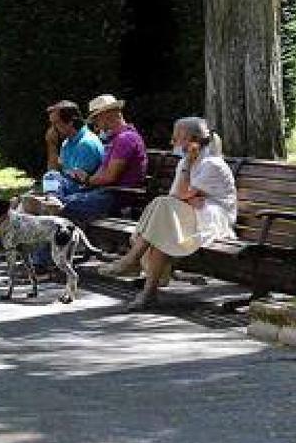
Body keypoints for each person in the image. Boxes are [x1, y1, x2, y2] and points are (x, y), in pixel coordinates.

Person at [98, 117, 237, 311]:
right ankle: (147, 290)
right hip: (190, 213)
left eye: (177, 137)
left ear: (192, 140)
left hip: (214, 218)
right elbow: (176, 196)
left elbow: (179, 195)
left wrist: (186, 191)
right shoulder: (185, 164)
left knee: (162, 211)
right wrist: (188, 196)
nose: (173, 142)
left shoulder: (212, 164)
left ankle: (132, 261)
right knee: (162, 217)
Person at [55, 94, 147, 223]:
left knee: (56, 205)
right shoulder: (116, 139)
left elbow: (109, 177)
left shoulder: (125, 139)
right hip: (106, 193)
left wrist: (87, 179)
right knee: (55, 200)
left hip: (116, 197)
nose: (95, 123)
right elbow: (103, 173)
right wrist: (86, 179)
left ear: (107, 115)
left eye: (96, 118)